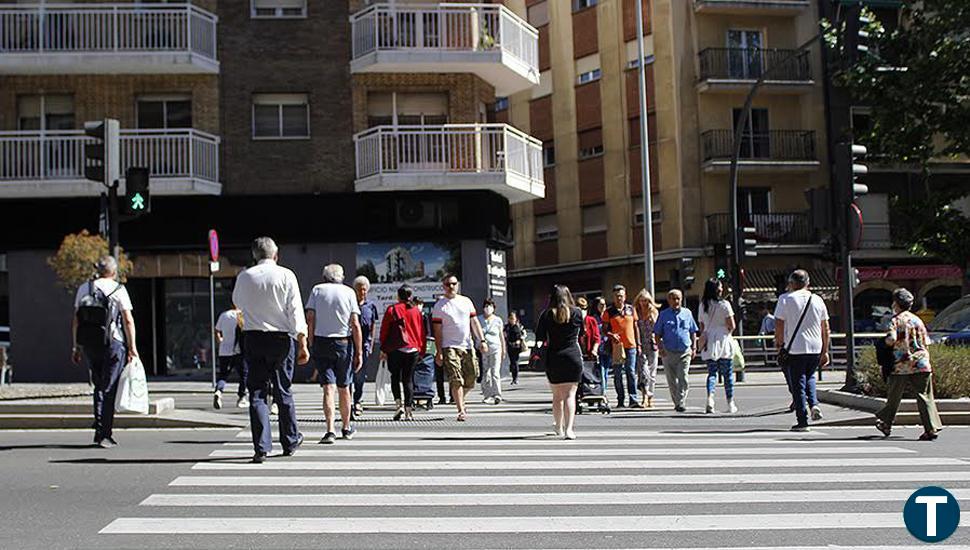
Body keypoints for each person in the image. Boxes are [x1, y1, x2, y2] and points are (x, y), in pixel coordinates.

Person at [232, 237, 308, 463]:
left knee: (257, 392)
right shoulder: (286, 275)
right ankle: (290, 440)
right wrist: (302, 340)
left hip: (254, 338)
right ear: (276, 255)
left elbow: (237, 303)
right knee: (283, 390)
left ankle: (261, 447)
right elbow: (295, 311)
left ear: (254, 256)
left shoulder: (245, 276)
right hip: (281, 339)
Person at [71, 255, 138, 448]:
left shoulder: (85, 288)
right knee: (109, 388)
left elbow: (76, 320)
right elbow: (127, 320)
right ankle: (104, 433)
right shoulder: (119, 289)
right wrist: (132, 348)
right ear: (114, 271)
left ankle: (99, 427)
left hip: (91, 343)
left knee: (99, 385)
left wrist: (76, 346)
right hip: (113, 343)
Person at [305, 264, 363, 444]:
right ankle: (346, 427)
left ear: (324, 277)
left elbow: (310, 318)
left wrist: (310, 341)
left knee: (328, 388)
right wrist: (359, 352)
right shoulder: (349, 292)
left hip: (322, 342)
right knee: (344, 388)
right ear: (342, 277)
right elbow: (355, 324)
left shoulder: (317, 290)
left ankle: (330, 430)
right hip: (343, 343)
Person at [875, 288, 943, 440]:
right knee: (924, 396)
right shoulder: (917, 320)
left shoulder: (896, 320)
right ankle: (931, 428)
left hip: (901, 364)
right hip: (921, 362)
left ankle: (885, 422)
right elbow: (926, 342)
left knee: (894, 395)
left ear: (896, 304)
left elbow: (891, 339)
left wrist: (883, 343)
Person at [774, 269, 830, 432]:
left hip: (795, 347)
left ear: (791, 284)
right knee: (810, 376)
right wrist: (825, 350)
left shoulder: (785, 299)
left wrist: (779, 344)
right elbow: (825, 327)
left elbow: (779, 324)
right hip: (815, 346)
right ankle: (814, 405)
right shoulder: (818, 300)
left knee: (798, 383)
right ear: (807, 283)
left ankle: (802, 420)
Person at [432, 273, 487, 422]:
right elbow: (437, 331)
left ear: (458, 285)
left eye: (454, 284)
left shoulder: (466, 301)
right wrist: (438, 352)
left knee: (472, 377)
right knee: (456, 379)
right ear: (443, 287)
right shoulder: (439, 306)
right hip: (449, 346)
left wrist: (481, 340)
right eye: (448, 284)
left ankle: (460, 398)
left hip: (467, 345)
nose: (451, 287)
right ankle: (461, 410)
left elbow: (474, 322)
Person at [535, 285, 585, 440]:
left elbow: (540, 337)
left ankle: (558, 426)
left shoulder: (547, 314)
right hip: (573, 357)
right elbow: (582, 333)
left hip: (554, 357)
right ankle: (569, 429)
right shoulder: (577, 313)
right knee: (571, 395)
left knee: (557, 396)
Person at [379, 284, 427, 421]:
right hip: (413, 349)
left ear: (398, 296)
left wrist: (383, 348)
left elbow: (384, 331)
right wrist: (421, 350)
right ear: (410, 296)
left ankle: (398, 405)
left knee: (395, 376)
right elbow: (421, 332)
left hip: (396, 349)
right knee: (408, 380)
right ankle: (408, 411)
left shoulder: (392, 309)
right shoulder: (416, 311)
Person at [654, 289, 698, 412]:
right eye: (673, 298)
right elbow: (657, 334)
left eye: (678, 298)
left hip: (684, 351)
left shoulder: (687, 313)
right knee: (671, 379)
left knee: (683, 377)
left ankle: (681, 401)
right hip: (668, 352)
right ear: (669, 300)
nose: (676, 301)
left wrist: (694, 347)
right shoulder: (663, 315)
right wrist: (660, 348)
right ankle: (676, 402)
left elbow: (693, 331)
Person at [698, 279, 738, 414]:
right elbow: (732, 325)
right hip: (723, 339)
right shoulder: (724, 304)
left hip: (709, 340)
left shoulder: (702, 305)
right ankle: (730, 402)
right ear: (717, 289)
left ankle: (710, 398)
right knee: (727, 373)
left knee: (712, 373)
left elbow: (702, 326)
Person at [602, 285, 641, 408]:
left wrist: (638, 344)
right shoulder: (609, 312)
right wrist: (611, 335)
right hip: (617, 346)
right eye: (617, 296)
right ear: (613, 297)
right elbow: (604, 329)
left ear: (625, 296)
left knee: (630, 371)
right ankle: (620, 399)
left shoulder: (631, 309)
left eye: (621, 296)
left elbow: (636, 327)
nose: (619, 298)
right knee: (618, 373)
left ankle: (633, 399)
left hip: (631, 345)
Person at [351, 275, 378, 418]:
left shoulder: (371, 305)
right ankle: (348, 403)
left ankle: (358, 401)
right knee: (349, 375)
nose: (362, 292)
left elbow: (373, 325)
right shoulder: (350, 303)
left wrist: (371, 343)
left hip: (365, 345)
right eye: (359, 290)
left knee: (361, 376)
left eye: (364, 290)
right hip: (350, 344)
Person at [213, 305, 249, 409]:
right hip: (238, 352)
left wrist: (220, 340)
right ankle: (242, 397)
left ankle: (219, 391)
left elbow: (217, 330)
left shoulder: (224, 315)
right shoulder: (241, 316)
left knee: (223, 375)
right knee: (244, 375)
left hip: (224, 351)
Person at [633, 290, 660, 409]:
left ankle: (650, 398)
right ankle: (644, 396)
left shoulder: (653, 312)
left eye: (646, 301)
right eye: (642, 300)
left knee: (652, 373)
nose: (644, 303)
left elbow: (658, 328)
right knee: (643, 371)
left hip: (652, 344)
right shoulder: (636, 312)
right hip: (640, 344)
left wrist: (652, 318)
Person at [479, 298, 506, 404]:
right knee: (486, 372)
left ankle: (497, 394)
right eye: (486, 306)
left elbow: (501, 336)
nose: (488, 308)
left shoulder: (498, 320)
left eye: (490, 306)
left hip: (496, 348)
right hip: (483, 349)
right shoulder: (479, 319)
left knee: (495, 372)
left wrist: (503, 349)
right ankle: (487, 395)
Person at [594, 297, 612, 395]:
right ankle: (602, 391)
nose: (603, 306)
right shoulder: (593, 318)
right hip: (597, 346)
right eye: (601, 304)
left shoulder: (607, 316)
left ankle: (603, 390)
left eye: (604, 304)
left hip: (607, 345)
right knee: (600, 370)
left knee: (606, 370)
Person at [576, 297, 601, 362]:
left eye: (585, 309)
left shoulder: (592, 320)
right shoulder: (573, 322)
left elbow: (597, 338)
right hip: (577, 356)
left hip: (590, 356)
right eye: (580, 309)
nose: (582, 311)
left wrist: (594, 350)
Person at [504, 312, 525, 385]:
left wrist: (518, 341)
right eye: (510, 318)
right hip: (510, 346)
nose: (511, 320)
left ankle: (515, 378)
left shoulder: (517, 327)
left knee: (515, 362)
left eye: (513, 318)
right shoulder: (507, 327)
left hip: (516, 347)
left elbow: (520, 336)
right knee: (512, 362)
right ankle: (513, 378)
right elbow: (504, 335)